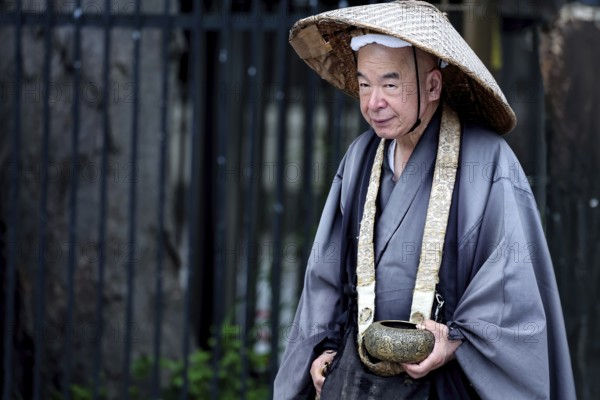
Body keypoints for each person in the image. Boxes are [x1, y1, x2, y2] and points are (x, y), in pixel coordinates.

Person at [275, 1, 576, 399]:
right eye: (364, 85)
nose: (373, 102)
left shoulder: (486, 160)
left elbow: (510, 286)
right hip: (356, 377)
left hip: (444, 382)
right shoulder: (360, 158)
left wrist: (453, 341)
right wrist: (325, 348)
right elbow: (326, 275)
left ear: (433, 86)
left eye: (390, 84)